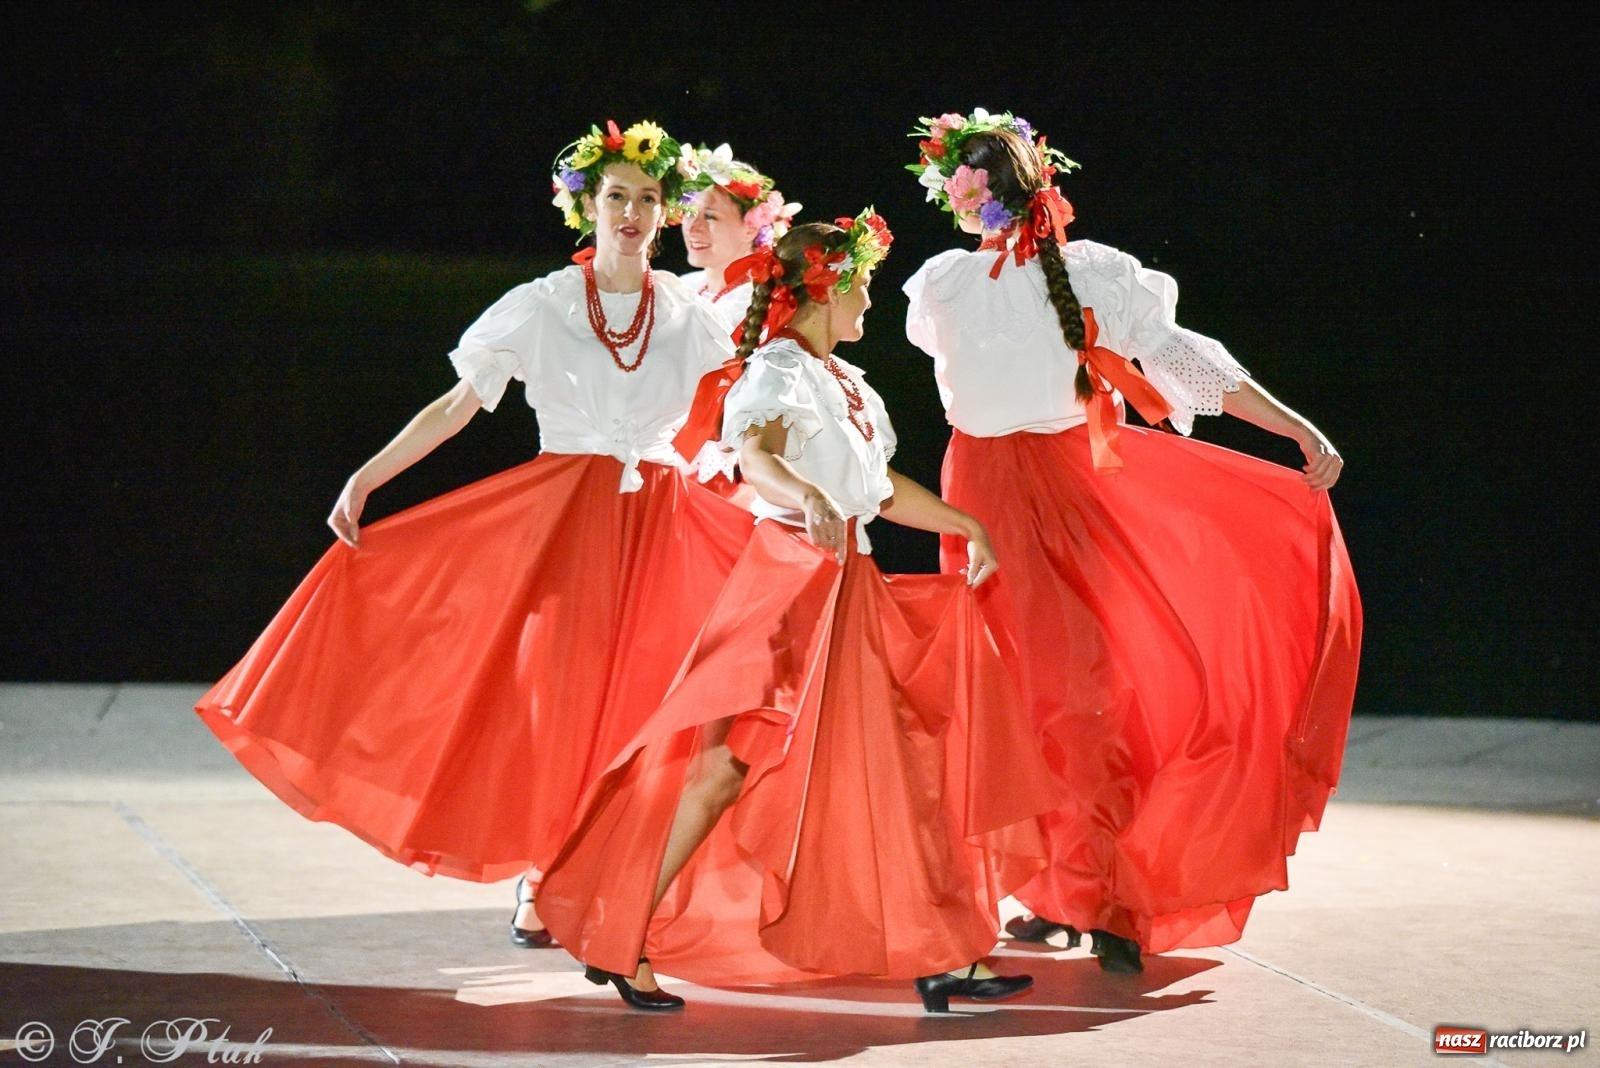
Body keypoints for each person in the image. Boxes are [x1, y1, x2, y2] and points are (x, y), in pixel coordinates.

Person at [195, 119, 753, 950]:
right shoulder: (544, 304)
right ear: (587, 208)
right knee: (560, 710)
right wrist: (369, 476)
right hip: (567, 523)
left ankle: (609, 877)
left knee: (650, 710)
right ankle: (542, 877)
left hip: (663, 520)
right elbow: (459, 406)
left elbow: (741, 411)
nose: (632, 214)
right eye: (616, 197)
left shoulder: (689, 314)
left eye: (646, 199)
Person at [537, 211, 1058, 1012]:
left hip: (848, 587)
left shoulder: (840, 379)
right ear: (830, 287)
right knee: (723, 771)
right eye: (864, 288)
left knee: (898, 763)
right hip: (792, 589)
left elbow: (876, 489)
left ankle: (945, 953)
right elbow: (758, 458)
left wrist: (964, 523)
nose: (870, 304)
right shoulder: (778, 369)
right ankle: (618, 930)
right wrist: (807, 494)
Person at [902, 109, 1362, 973]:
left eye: (970, 183)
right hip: (984, 504)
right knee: (1013, 696)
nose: (964, 197)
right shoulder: (942, 283)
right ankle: (1055, 887)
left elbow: (1179, 356)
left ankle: (1107, 890)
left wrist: (1293, 426)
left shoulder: (1089, 273)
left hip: (1073, 491)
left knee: (1090, 691)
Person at [677, 144, 799, 332]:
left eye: (710, 216)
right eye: (689, 213)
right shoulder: (682, 286)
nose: (693, 228)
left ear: (751, 228)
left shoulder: (759, 303)